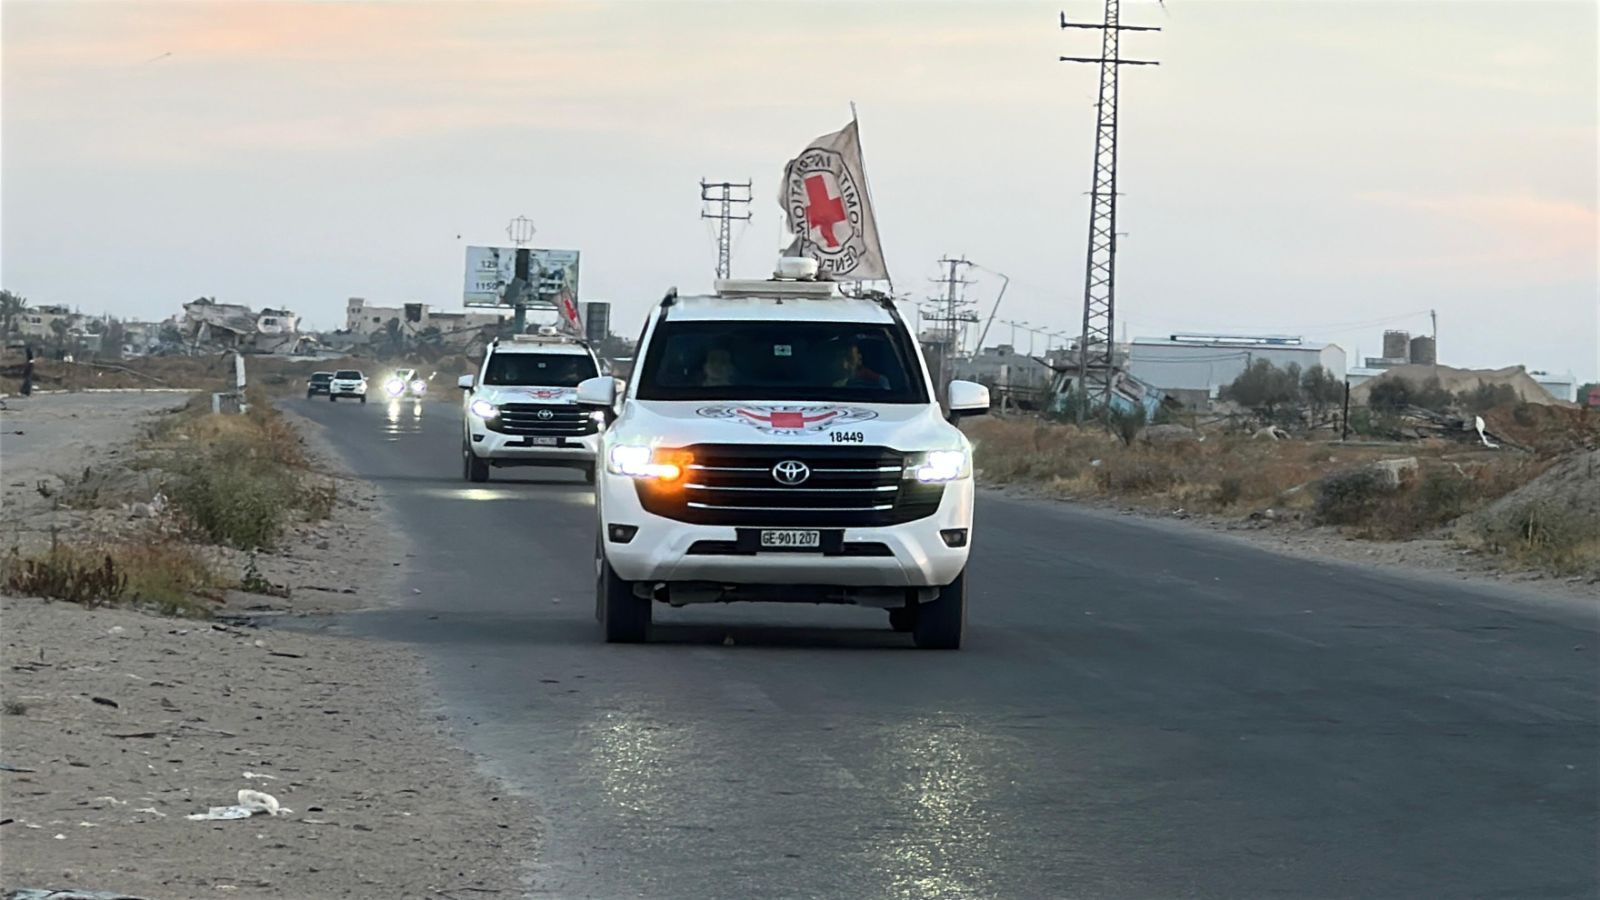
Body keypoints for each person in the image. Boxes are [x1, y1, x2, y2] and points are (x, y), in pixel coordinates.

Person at [822, 341, 889, 390]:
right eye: (839, 359)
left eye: (849, 359)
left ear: (859, 360)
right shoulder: (820, 383)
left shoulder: (876, 381)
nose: (844, 366)